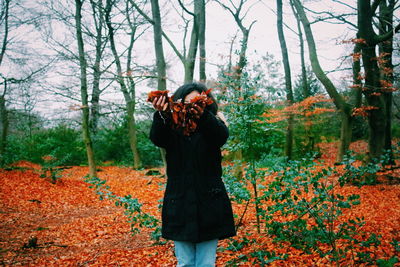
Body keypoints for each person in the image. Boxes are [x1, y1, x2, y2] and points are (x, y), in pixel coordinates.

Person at [150, 82, 236, 267]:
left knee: (205, 263)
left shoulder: (214, 124)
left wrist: (203, 116)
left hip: (209, 202)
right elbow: (158, 138)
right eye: (187, 102)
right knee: (185, 263)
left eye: (198, 102)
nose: (192, 107)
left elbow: (220, 137)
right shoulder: (172, 127)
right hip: (179, 202)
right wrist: (162, 114)